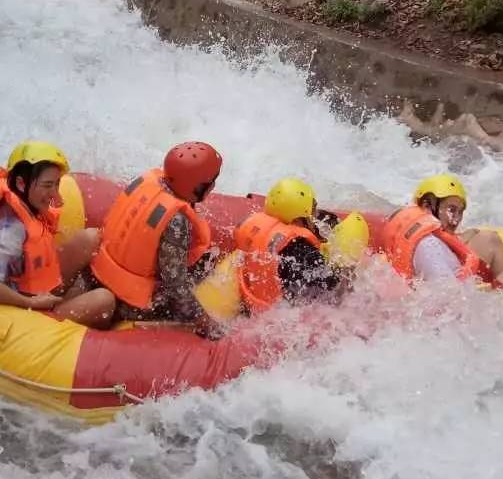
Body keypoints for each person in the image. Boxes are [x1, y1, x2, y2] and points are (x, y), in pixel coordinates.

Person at [0, 140, 115, 328]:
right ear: (21, 184)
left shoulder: (11, 187)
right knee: (104, 300)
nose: (54, 194)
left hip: (36, 278)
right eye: (47, 185)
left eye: (56, 184)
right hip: (25, 305)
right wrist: (30, 303)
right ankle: (53, 317)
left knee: (89, 237)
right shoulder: (10, 231)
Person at [87, 141, 226, 338]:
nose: (213, 185)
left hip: (99, 272)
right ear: (197, 187)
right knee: (204, 273)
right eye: (211, 181)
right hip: (130, 302)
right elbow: (174, 288)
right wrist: (205, 322)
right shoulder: (177, 221)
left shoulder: (148, 182)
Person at [378, 174, 503, 295]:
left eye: (460, 212)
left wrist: (467, 235)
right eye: (451, 210)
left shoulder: (410, 228)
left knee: (489, 239)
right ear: (428, 206)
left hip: (444, 287)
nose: (456, 220)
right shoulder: (430, 247)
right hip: (461, 301)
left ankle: (500, 286)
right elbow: (451, 299)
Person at [233, 178, 341, 315]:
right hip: (275, 315)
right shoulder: (302, 249)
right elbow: (330, 286)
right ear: (297, 219)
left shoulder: (260, 228)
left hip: (251, 299)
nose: (313, 216)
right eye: (311, 211)